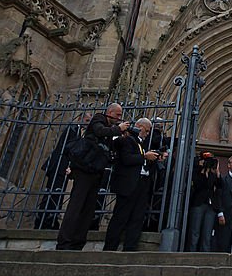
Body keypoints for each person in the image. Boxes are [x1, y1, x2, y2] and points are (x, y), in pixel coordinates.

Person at [56, 104, 124, 250]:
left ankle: (78, 242)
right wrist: (118, 129)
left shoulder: (110, 132)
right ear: (110, 112)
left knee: (88, 210)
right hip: (83, 170)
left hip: (96, 171)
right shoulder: (99, 119)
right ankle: (64, 242)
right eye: (118, 115)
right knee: (76, 206)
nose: (119, 118)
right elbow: (100, 131)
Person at [104, 117, 160, 251]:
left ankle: (130, 247)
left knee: (137, 217)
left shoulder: (143, 144)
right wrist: (144, 157)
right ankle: (110, 247)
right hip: (128, 184)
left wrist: (152, 159)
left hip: (142, 184)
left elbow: (144, 163)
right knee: (120, 217)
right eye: (146, 131)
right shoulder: (128, 140)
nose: (147, 134)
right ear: (139, 127)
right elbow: (126, 159)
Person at [37, 118, 82, 229]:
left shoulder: (74, 129)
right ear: (80, 119)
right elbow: (68, 149)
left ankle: (50, 219)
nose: (88, 122)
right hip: (59, 166)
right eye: (87, 119)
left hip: (60, 166)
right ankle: (46, 221)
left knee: (56, 193)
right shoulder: (73, 129)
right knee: (53, 193)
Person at [186, 152, 222, 252]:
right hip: (198, 204)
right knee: (195, 233)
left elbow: (219, 186)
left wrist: (217, 172)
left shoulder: (212, 174)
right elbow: (198, 185)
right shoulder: (197, 172)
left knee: (207, 233)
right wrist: (202, 170)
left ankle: (205, 255)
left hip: (210, 206)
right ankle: (191, 253)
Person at [215, 155, 232, 252]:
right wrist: (220, 213)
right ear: (229, 165)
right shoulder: (223, 179)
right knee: (225, 239)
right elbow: (219, 196)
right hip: (226, 213)